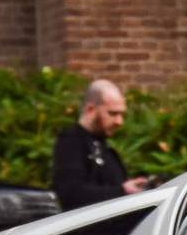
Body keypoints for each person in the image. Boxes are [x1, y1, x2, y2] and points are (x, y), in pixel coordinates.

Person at [51, 80, 150, 209]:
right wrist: (123, 191)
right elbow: (70, 194)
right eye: (113, 114)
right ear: (90, 109)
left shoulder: (104, 147)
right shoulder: (71, 143)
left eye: (121, 114)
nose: (120, 121)